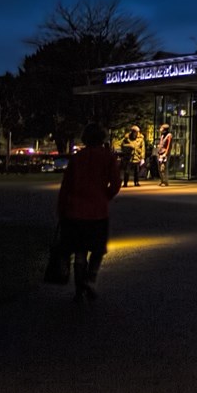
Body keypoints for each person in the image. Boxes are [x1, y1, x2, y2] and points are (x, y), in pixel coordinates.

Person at [57, 122, 122, 302]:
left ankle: (79, 288)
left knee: (79, 250)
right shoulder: (108, 157)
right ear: (102, 138)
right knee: (98, 248)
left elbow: (66, 186)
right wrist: (105, 196)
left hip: (75, 210)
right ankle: (91, 278)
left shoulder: (77, 158)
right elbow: (116, 183)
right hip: (97, 211)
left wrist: (62, 209)